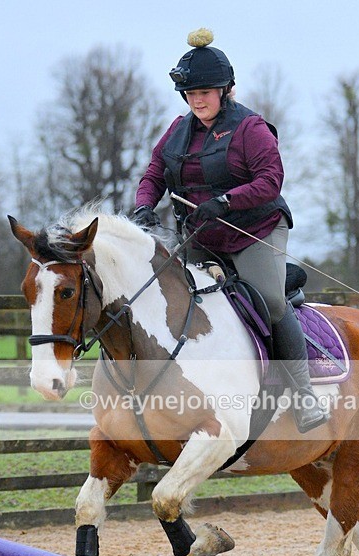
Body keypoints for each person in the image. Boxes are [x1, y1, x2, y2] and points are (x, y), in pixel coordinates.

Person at [134, 28, 327, 434]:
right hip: (202, 237)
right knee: (178, 304)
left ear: (226, 90)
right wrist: (144, 207)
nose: (197, 100)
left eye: (205, 91)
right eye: (190, 94)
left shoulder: (250, 129)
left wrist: (225, 202)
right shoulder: (176, 131)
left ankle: (305, 394)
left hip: (255, 229)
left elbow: (270, 180)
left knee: (270, 302)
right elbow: (154, 173)